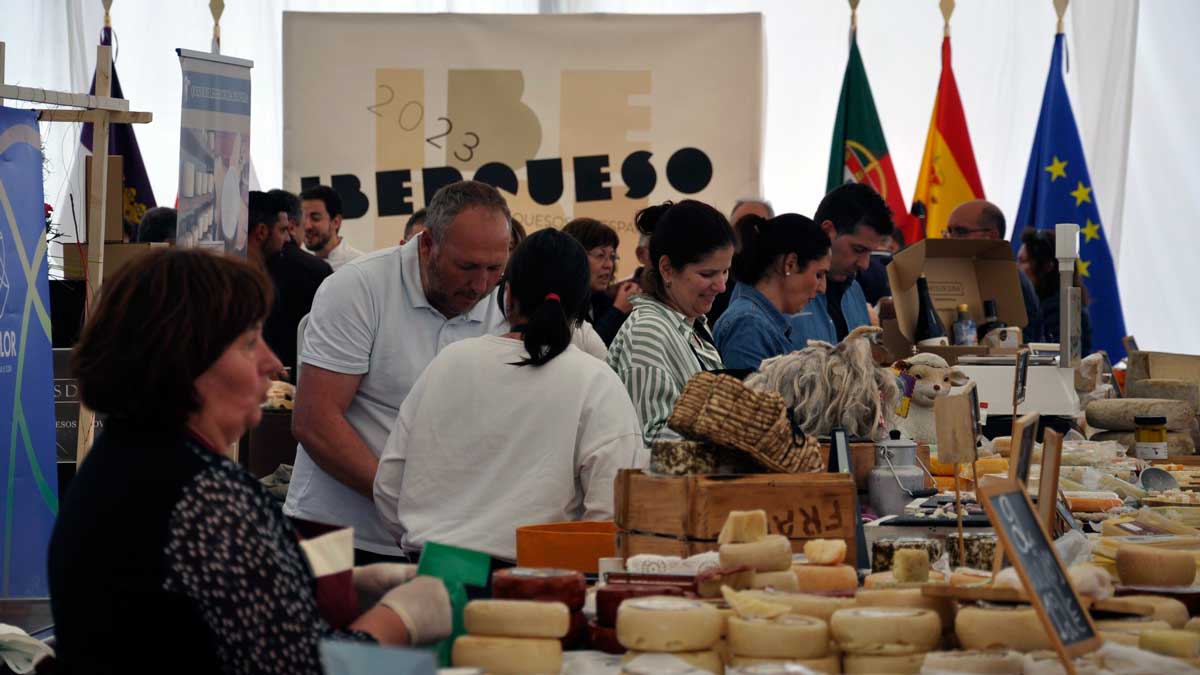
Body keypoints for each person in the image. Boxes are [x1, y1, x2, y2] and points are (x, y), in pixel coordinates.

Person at [49, 248, 451, 674]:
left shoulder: (122, 460)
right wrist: (398, 621)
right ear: (187, 358)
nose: (273, 363)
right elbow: (300, 667)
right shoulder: (204, 492)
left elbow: (197, 606)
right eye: (248, 343)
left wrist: (331, 588)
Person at [375, 229, 644, 563]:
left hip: (435, 573)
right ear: (581, 304)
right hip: (539, 585)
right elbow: (613, 510)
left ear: (507, 295)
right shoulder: (597, 380)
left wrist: (425, 545)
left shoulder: (449, 361)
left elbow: (389, 483)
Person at [285, 180, 510, 563]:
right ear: (426, 244)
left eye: (495, 268)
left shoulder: (503, 301)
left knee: (458, 624)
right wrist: (406, 501)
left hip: (453, 538)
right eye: (467, 267)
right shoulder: (357, 288)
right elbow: (315, 421)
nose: (481, 285)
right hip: (336, 532)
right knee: (337, 625)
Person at [607, 200, 735, 444]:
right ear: (666, 269)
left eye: (725, 271)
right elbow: (651, 440)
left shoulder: (694, 324)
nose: (721, 286)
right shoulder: (648, 331)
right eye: (707, 274)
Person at [714, 214, 832, 370]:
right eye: (819, 275)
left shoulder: (760, 322)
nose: (823, 288)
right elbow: (750, 394)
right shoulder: (749, 325)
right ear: (790, 264)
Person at [790, 183, 893, 346]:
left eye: (870, 253)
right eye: (858, 249)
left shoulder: (855, 292)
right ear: (827, 232)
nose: (865, 265)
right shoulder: (783, 293)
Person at [945, 199, 1044, 342]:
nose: (950, 239)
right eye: (949, 231)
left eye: (961, 232)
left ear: (992, 235)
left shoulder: (1009, 279)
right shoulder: (968, 274)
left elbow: (1018, 344)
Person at [562, 217, 639, 346]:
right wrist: (618, 311)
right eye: (600, 255)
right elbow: (585, 350)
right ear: (574, 255)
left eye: (612, 257)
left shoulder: (600, 299)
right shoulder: (558, 302)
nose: (609, 265)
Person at [1018, 228, 1092, 354]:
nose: (1017, 268)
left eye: (1023, 261)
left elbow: (1065, 362)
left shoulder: (1066, 310)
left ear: (1047, 266)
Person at [707, 198, 774, 325]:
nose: (746, 232)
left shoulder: (778, 281)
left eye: (754, 225)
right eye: (740, 225)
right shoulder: (713, 280)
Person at [301, 184, 364, 270]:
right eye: (303, 218)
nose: (307, 226)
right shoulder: (300, 266)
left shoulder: (359, 265)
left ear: (336, 222)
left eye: (315, 218)